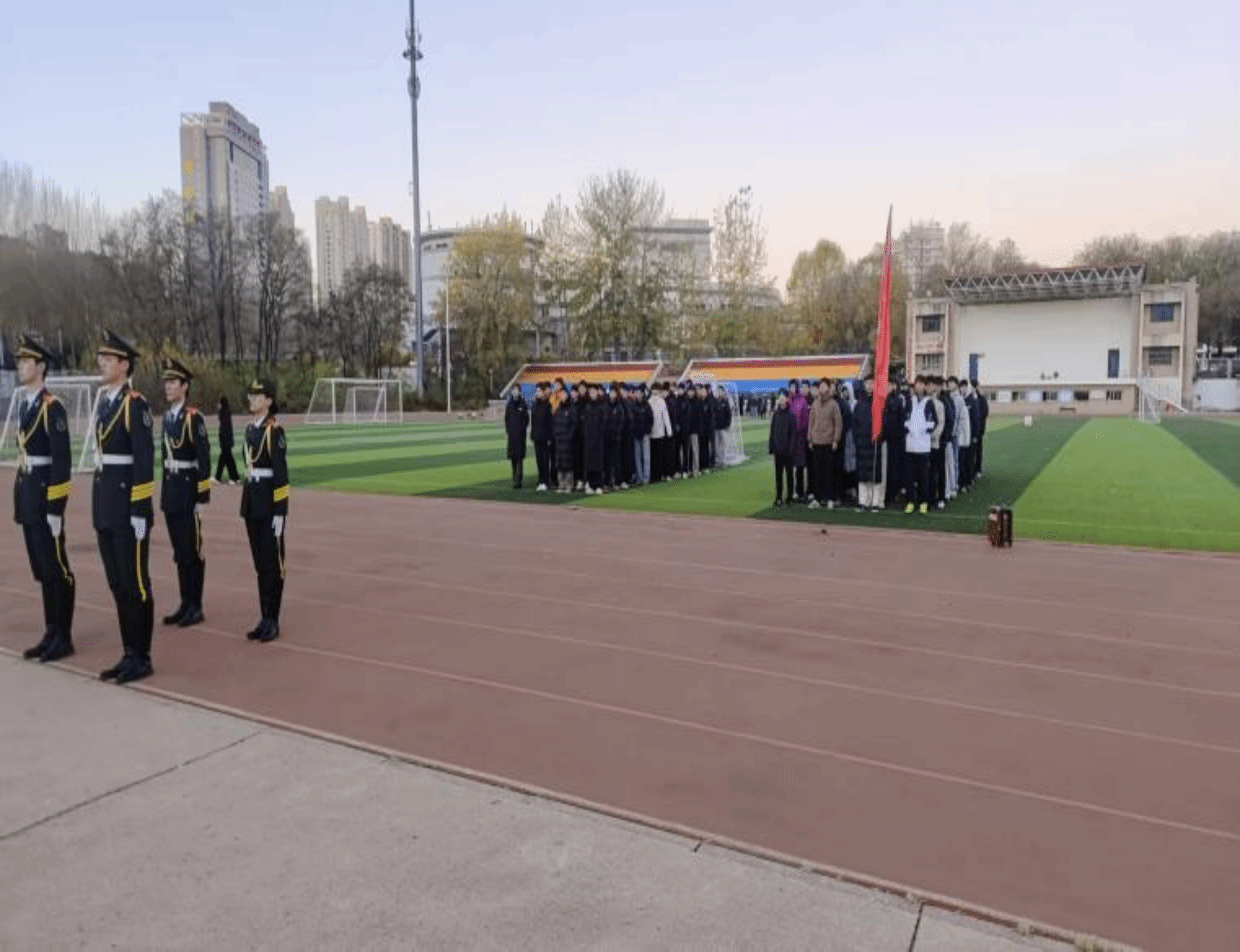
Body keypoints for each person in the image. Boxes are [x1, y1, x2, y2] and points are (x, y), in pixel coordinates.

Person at [93, 330, 157, 684]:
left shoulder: (136, 404)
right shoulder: (106, 403)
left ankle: (141, 656)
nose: (102, 364)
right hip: (106, 505)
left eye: (108, 359)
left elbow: (143, 461)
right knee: (117, 583)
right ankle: (128, 652)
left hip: (127, 507)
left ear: (124, 364)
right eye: (102, 358)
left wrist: (139, 509)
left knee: (135, 583)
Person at [12, 334, 76, 663]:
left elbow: (61, 462)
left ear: (40, 366)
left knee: (56, 569)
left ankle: (63, 636)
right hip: (28, 496)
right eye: (21, 361)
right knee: (42, 570)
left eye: (26, 361)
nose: (21, 366)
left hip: (44, 497)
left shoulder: (53, 407)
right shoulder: (26, 404)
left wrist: (55, 507)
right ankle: (51, 630)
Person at [159, 357, 211, 627]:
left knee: (192, 550)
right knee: (179, 551)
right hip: (171, 491)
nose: (168, 387)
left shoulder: (193, 418)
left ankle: (196, 605)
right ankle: (184, 602)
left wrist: (202, 497)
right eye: (166, 382)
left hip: (188, 491)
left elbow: (204, 459)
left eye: (173, 382)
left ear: (184, 386)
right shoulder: (168, 418)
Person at [241, 379, 289, 643]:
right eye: (251, 395)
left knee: (273, 564)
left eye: (258, 396)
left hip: (269, 505)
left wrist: (280, 512)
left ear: (269, 401)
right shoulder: (250, 430)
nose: (252, 399)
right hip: (252, 502)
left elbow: (281, 475)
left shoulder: (274, 432)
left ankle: (273, 619)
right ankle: (264, 617)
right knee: (260, 565)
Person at [768, 388, 794, 506]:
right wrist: (771, 446)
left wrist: (790, 448)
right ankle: (778, 496)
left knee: (789, 475)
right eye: (780, 396)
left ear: (787, 399)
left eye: (783, 396)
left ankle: (790, 496)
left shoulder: (790, 414)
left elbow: (793, 433)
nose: (781, 398)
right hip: (777, 450)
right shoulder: (776, 414)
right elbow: (772, 431)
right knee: (778, 475)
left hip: (787, 451)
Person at [529, 382, 553, 491]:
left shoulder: (547, 405)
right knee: (539, 461)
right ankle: (540, 480)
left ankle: (546, 481)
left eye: (539, 391)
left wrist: (549, 438)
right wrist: (532, 434)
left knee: (545, 461)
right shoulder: (535, 405)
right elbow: (533, 421)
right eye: (537, 391)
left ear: (543, 393)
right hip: (537, 437)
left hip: (545, 438)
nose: (537, 393)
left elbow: (550, 423)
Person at [504, 386, 529, 489]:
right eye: (513, 390)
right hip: (512, 436)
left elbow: (526, 419)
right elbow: (506, 419)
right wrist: (508, 431)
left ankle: (519, 480)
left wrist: (522, 431)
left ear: (519, 392)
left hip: (520, 436)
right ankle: (514, 477)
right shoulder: (509, 405)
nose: (515, 392)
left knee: (519, 458)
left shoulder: (523, 404)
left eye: (517, 390)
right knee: (513, 458)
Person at [214, 395, 240, 484]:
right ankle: (234, 477)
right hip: (227, 440)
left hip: (225, 440)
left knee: (224, 459)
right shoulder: (226, 412)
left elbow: (224, 428)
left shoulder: (224, 412)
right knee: (228, 460)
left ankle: (218, 477)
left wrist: (223, 440)